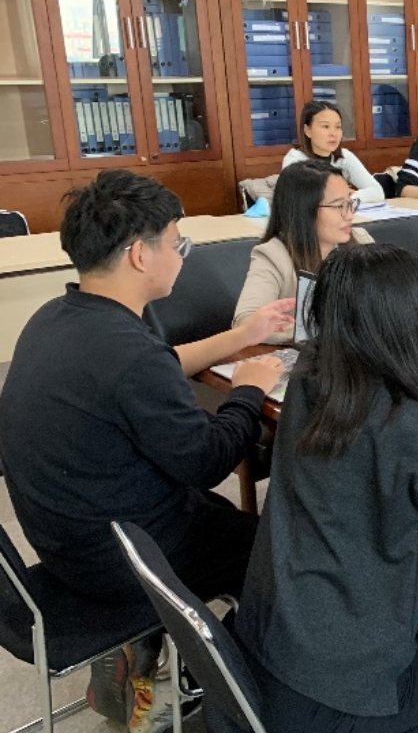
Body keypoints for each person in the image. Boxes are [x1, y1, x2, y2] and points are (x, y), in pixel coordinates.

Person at [0, 171, 290, 725]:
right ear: (140, 254)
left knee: (218, 516)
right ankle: (216, 678)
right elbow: (208, 460)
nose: (181, 255)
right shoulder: (128, 354)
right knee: (277, 547)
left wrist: (241, 337)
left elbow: (153, 367)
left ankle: (143, 650)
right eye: (178, 243)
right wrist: (249, 391)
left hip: (63, 543)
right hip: (123, 559)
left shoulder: (58, 318)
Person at [236, 244, 418, 731]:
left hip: (273, 642)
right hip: (334, 695)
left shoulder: (311, 376)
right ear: (398, 323)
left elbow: (351, 484)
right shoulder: (407, 426)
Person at [234, 160, 378, 343]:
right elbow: (245, 322)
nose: (350, 215)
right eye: (338, 206)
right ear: (304, 210)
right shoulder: (273, 255)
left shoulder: (361, 240)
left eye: (350, 203)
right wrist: (324, 331)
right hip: (307, 355)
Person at [283, 100, 386, 204]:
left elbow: (377, 191)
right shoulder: (295, 161)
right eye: (325, 126)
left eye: (338, 127)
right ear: (307, 130)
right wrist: (341, 194)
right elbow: (298, 199)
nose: (333, 133)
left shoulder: (344, 157)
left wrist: (348, 198)